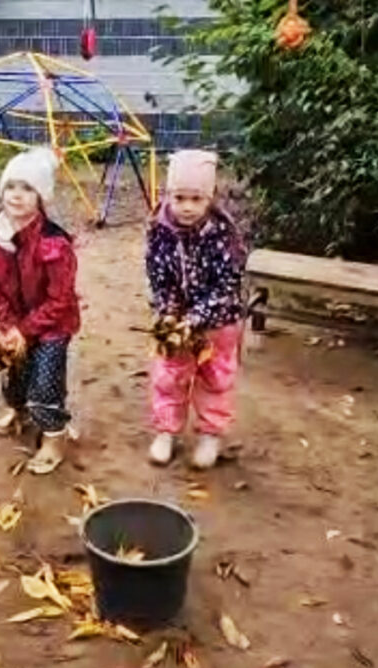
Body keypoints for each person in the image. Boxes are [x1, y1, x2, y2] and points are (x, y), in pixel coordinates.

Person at [0, 147, 80, 475]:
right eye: (11, 186)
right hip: (17, 324)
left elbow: (61, 299)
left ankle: (54, 438)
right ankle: (19, 411)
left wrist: (26, 330)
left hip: (52, 325)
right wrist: (10, 326)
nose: (17, 195)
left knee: (45, 381)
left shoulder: (54, 244)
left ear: (41, 197)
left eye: (28, 189)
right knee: (16, 373)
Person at [146, 150, 247, 469]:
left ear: (210, 198)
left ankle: (210, 434)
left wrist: (196, 319)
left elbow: (227, 286)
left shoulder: (223, 234)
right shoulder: (159, 229)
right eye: (179, 197)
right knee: (169, 375)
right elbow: (159, 278)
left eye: (196, 199)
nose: (187, 207)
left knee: (215, 378)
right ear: (168, 195)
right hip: (177, 324)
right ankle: (166, 430)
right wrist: (169, 313)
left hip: (218, 323)